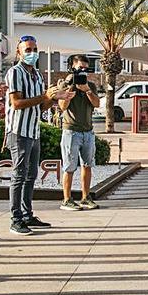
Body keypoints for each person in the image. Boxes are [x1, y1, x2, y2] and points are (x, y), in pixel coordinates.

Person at [5, 35, 70, 235]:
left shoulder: (37, 75)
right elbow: (16, 103)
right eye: (28, 50)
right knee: (19, 175)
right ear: (19, 53)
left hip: (33, 130)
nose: (32, 54)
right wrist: (44, 96)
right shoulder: (15, 73)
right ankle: (15, 218)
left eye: (34, 50)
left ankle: (27, 214)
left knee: (31, 175)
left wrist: (55, 97)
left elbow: (41, 105)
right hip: (19, 131)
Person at [57, 54, 101, 211]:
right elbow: (62, 106)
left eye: (85, 68)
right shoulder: (65, 84)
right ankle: (67, 199)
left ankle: (85, 197)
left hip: (88, 132)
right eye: (79, 68)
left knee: (87, 165)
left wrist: (87, 90)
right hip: (71, 131)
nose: (83, 71)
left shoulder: (90, 85)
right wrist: (70, 88)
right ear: (72, 68)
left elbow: (97, 104)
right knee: (69, 167)